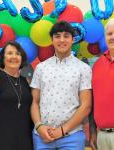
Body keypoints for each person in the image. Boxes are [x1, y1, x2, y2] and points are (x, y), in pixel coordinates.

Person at [30, 21, 92, 150]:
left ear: (72, 39)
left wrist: (63, 130)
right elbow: (34, 102)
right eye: (57, 36)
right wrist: (39, 126)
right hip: (42, 137)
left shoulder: (83, 68)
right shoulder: (41, 68)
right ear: (52, 40)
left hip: (72, 137)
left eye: (66, 36)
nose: (62, 40)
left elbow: (86, 106)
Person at [0, 41, 33, 150]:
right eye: (9, 53)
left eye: (17, 53)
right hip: (1, 141)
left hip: (24, 141)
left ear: (21, 58)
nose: (14, 56)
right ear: (3, 58)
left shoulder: (26, 81)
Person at [90, 18, 114, 150]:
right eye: (109, 34)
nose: (113, 37)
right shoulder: (98, 65)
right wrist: (93, 131)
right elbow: (94, 100)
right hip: (103, 136)